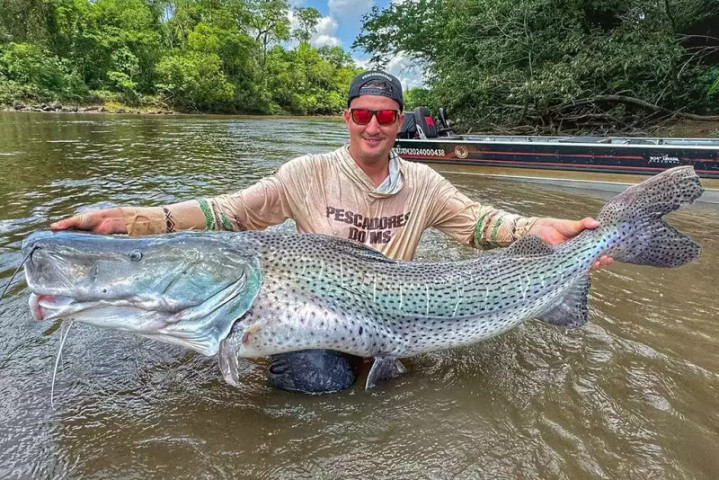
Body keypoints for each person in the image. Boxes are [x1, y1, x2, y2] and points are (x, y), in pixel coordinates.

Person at [51, 70, 612, 393]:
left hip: (400, 309)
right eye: (362, 114)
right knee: (315, 377)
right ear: (346, 117)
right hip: (324, 323)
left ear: (399, 122)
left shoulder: (425, 183)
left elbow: (483, 225)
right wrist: (130, 222)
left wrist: (542, 229)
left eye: (386, 116)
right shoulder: (304, 174)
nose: (373, 125)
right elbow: (230, 213)